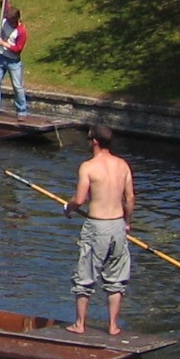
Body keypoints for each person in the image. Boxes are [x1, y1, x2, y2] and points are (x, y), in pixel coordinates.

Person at [66, 125, 134, 335]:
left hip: (97, 226)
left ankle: (80, 324)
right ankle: (113, 326)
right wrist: (127, 223)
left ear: (94, 141)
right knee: (116, 279)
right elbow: (130, 198)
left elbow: (79, 199)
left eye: (88, 139)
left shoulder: (88, 167)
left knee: (85, 275)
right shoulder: (122, 165)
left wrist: (68, 207)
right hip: (117, 225)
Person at [0, 4, 29, 117]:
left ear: (15, 20)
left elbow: (18, 49)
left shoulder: (21, 32)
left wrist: (3, 43)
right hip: (1, 58)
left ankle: (22, 111)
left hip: (13, 62)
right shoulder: (6, 18)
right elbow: (4, 3)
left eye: (10, 20)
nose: (7, 22)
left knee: (17, 87)